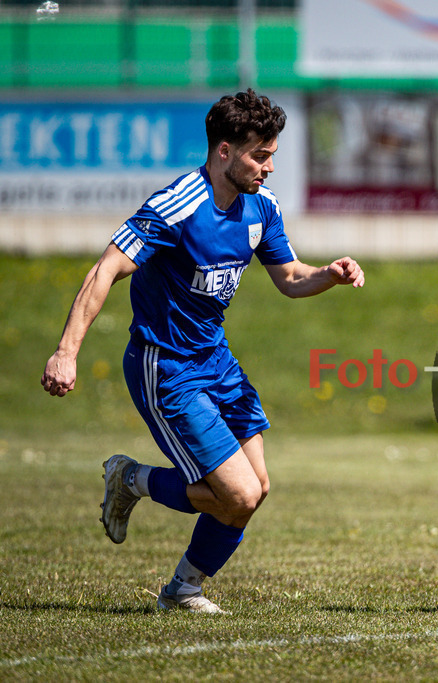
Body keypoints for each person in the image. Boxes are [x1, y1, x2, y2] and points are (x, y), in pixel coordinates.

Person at [41, 89, 365, 614]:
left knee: (256, 489)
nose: (270, 167)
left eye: (273, 155)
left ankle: (183, 589)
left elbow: (289, 277)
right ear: (223, 152)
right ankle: (132, 479)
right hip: (165, 365)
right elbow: (105, 270)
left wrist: (327, 274)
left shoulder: (262, 206)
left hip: (216, 361)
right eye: (261, 155)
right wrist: (66, 351)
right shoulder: (177, 206)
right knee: (235, 495)